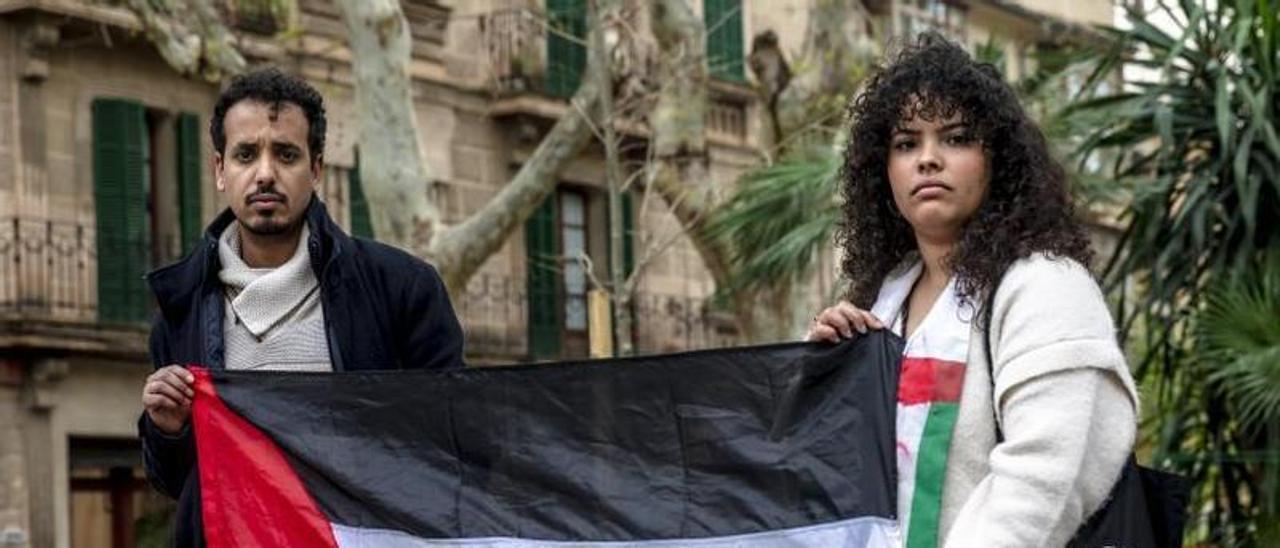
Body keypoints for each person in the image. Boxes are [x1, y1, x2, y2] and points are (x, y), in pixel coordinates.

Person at [808, 33, 1138, 547]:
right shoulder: (882, 302)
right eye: (906, 143)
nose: (928, 159)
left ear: (997, 160)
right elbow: (831, 479)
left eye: (957, 138)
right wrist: (824, 375)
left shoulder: (1046, 288)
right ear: (883, 173)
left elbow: (1043, 479)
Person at [138, 68, 465, 544]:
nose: (265, 173)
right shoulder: (180, 305)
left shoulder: (402, 288)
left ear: (315, 169)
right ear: (219, 170)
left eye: (285, 154)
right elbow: (177, 482)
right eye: (246, 154)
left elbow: (451, 442)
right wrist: (165, 428)